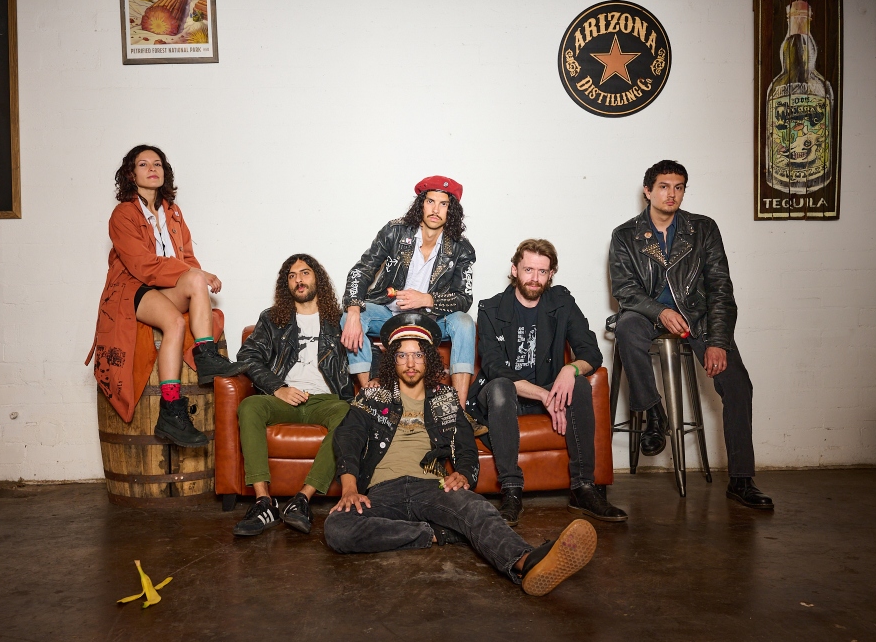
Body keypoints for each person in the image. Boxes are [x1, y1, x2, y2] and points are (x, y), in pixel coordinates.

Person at [325, 313, 598, 597]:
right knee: (337, 527)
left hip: (431, 487)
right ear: (392, 360)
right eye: (402, 355)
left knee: (478, 508)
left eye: (417, 355)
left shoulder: (445, 397)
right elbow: (348, 437)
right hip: (381, 490)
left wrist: (464, 474)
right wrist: (349, 488)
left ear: (428, 359)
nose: (409, 363)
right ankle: (434, 533)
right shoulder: (374, 395)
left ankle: (528, 562)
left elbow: (466, 446)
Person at [608, 160, 773, 509]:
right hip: (648, 315)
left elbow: (720, 289)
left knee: (738, 384)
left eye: (679, 187)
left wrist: (717, 342)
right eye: (664, 186)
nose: (672, 194)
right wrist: (661, 311)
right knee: (626, 326)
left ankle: (742, 480)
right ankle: (654, 415)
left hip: (696, 318)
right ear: (647, 190)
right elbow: (625, 290)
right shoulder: (626, 235)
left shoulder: (703, 229)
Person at [87, 144, 245, 447]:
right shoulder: (123, 214)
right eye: (143, 164)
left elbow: (188, 259)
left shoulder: (172, 212)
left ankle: (207, 357)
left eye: (157, 163)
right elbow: (141, 266)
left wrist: (199, 275)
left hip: (165, 288)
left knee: (195, 282)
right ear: (131, 175)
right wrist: (195, 274)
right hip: (131, 289)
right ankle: (172, 408)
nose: (152, 169)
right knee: (175, 322)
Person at [466, 239, 628, 525]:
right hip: (508, 400)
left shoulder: (562, 303)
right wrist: (544, 395)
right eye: (528, 270)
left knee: (578, 383)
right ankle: (512, 490)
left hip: (552, 395)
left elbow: (591, 352)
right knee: (501, 387)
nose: (534, 278)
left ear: (551, 273)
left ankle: (583, 488)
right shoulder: (491, 309)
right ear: (515, 270)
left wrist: (570, 370)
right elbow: (494, 368)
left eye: (542, 271)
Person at [233, 255, 354, 536]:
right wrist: (278, 388)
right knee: (250, 406)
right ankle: (264, 502)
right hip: (284, 398)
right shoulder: (273, 319)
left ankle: (302, 500)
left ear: (317, 279)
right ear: (285, 284)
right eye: (291, 275)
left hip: (325, 400)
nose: (299, 279)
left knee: (349, 414)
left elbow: (360, 351)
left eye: (305, 272)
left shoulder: (338, 319)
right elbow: (248, 356)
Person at [340, 176, 477, 408]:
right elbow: (361, 271)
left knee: (464, 322)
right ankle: (370, 400)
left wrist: (427, 299)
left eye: (443, 204)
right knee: (349, 316)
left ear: (451, 210)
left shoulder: (462, 248)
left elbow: (464, 299)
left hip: (432, 321)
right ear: (421, 204)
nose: (435, 210)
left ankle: (459, 410)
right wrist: (353, 311)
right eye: (430, 201)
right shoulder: (394, 232)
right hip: (387, 314)